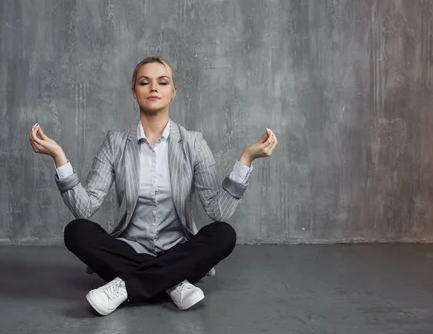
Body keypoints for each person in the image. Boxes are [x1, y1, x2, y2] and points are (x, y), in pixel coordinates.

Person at [29, 56, 277, 315]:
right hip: (129, 249)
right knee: (76, 231)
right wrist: (59, 158)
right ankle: (174, 282)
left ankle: (125, 285)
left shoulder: (193, 143)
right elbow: (85, 207)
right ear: (134, 93)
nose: (154, 88)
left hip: (179, 249)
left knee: (224, 234)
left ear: (173, 92)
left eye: (162, 82)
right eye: (144, 82)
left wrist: (246, 160)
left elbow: (218, 211)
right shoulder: (115, 142)